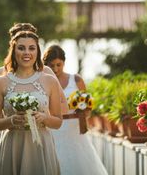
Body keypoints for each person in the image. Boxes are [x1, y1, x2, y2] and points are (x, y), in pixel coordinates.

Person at [0, 31, 62, 174]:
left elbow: (58, 122)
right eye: (21, 48)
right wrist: (11, 120)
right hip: (12, 145)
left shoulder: (50, 80)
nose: (26, 52)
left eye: (31, 48)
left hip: (41, 145)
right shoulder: (0, 82)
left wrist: (44, 118)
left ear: (37, 51)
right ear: (13, 50)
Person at [43, 44, 108, 175]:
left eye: (58, 64)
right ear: (46, 65)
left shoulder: (76, 80)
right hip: (53, 129)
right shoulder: (44, 81)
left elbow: (89, 108)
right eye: (52, 65)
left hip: (74, 131)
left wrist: (83, 112)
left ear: (64, 63)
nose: (55, 69)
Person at [0, 22, 67, 119]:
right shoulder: (0, 73)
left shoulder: (46, 71)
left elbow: (64, 106)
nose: (26, 50)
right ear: (12, 45)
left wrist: (41, 112)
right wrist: (9, 106)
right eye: (21, 46)